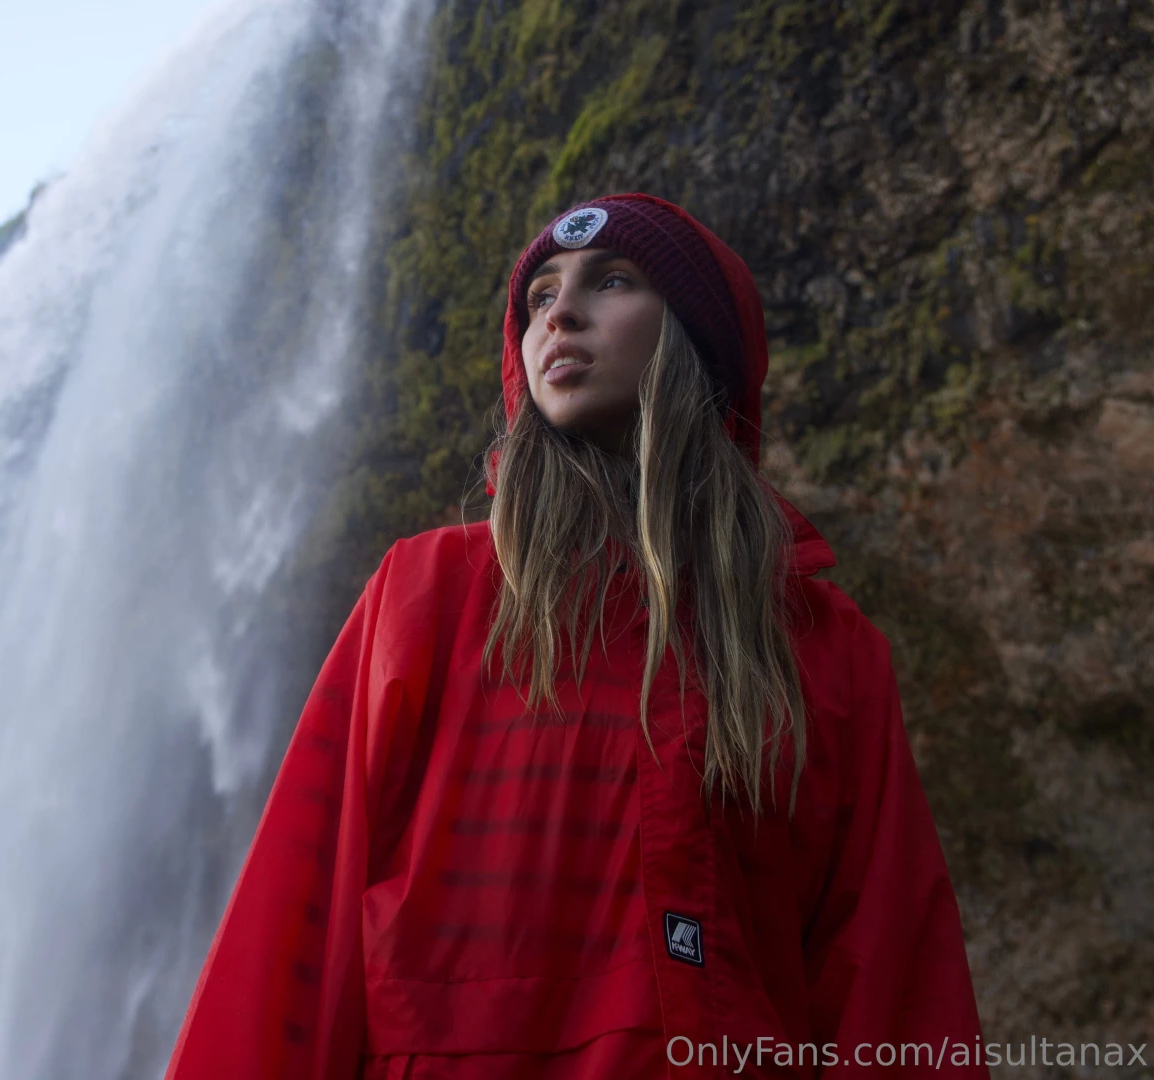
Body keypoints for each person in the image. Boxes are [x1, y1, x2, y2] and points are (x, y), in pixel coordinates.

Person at [163, 194, 989, 1079]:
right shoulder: (430, 592)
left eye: (615, 279)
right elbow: (299, 913)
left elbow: (891, 975)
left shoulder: (825, 648)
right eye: (539, 297)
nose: (559, 312)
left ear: (696, 339)